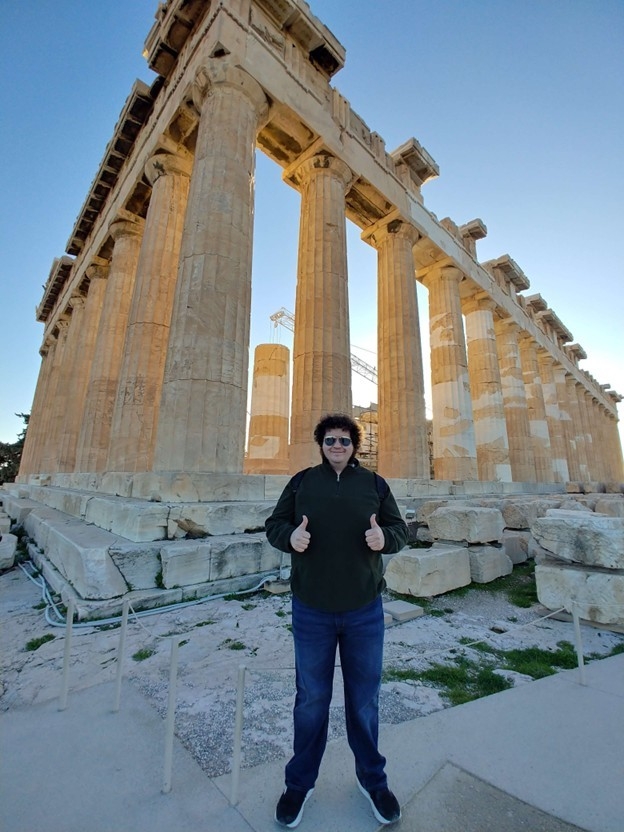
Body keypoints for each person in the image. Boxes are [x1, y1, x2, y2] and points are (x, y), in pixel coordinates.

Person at [265, 413, 409, 828]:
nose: (337, 447)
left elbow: (400, 529)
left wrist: (387, 540)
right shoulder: (302, 482)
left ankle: (373, 781)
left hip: (364, 610)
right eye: (330, 441)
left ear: (355, 445)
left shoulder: (375, 484)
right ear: (320, 444)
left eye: (344, 441)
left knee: (364, 701)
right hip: (312, 609)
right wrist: (290, 537)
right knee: (310, 701)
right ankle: (299, 785)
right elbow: (275, 525)